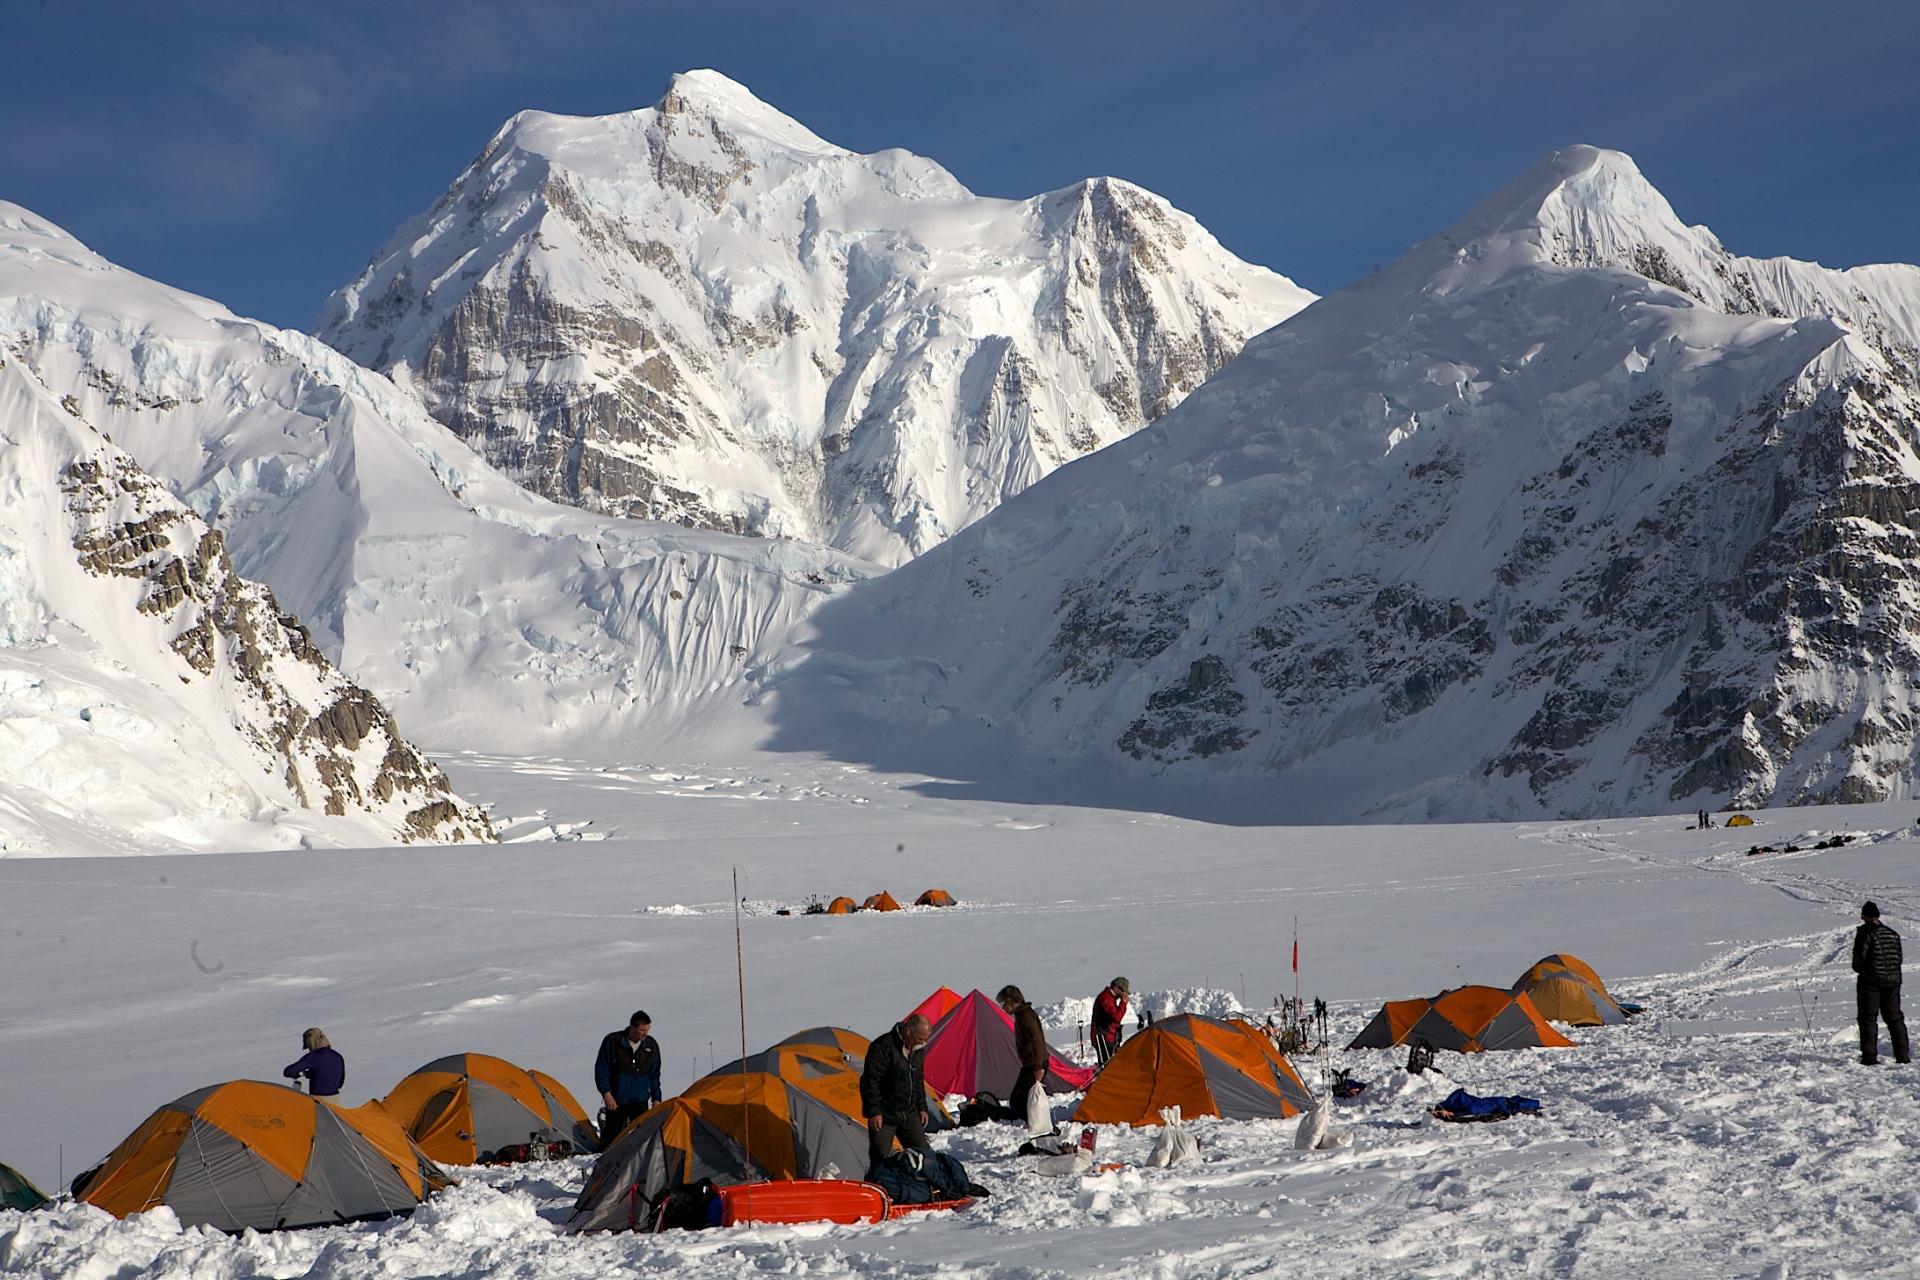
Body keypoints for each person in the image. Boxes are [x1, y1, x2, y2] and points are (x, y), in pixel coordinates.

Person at [860, 1014, 932, 1173]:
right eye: (920, 1038)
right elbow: (870, 1081)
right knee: (881, 1158)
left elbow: (918, 1080)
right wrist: (874, 1111)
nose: (923, 1042)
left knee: (925, 1155)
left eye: (925, 1039)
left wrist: (922, 1106)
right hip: (885, 1115)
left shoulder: (918, 1050)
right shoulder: (883, 1046)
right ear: (908, 1031)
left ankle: (925, 1189)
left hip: (909, 1112)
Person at [1853, 902, 1909, 1065]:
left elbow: (1858, 963)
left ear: (1864, 916)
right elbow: (1898, 959)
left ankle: (1869, 1057)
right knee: (1895, 1018)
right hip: (1893, 981)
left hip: (1871, 983)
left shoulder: (1865, 933)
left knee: (1868, 1018)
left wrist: (1865, 971)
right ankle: (1902, 1056)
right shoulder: (1892, 933)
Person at [595, 1010, 663, 1146]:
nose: (645, 1034)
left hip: (640, 1101)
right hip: (616, 1100)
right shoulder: (613, 1042)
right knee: (612, 1141)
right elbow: (601, 1069)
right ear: (632, 1027)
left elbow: (654, 1074)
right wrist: (606, 1093)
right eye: (642, 1030)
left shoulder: (650, 1045)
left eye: (647, 1030)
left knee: (640, 1141)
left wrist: (656, 1098)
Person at [997, 984, 1050, 1130]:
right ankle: (1035, 1125)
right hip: (1031, 1063)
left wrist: (1038, 1067)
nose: (1003, 1008)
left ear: (1011, 1001)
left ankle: (1038, 1125)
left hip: (1034, 1064)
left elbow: (1037, 1041)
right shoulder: (1022, 1015)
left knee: (1018, 1100)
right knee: (1023, 1099)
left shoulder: (1026, 1017)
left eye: (1004, 1004)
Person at [283, 1027, 345, 1098]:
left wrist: (297, 1074)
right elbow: (340, 1083)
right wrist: (312, 1074)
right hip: (336, 1101)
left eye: (309, 1046)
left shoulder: (313, 1056)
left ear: (312, 1042)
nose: (309, 1049)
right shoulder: (338, 1057)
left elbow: (288, 1072)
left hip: (319, 1101)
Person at [1091, 977, 1131, 1067]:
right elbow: (1116, 1017)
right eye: (1122, 991)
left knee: (1109, 1062)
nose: (1123, 994)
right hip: (1103, 1036)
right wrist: (1123, 1003)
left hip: (1108, 1036)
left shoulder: (1110, 998)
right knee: (1105, 1064)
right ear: (1117, 988)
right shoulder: (1106, 998)